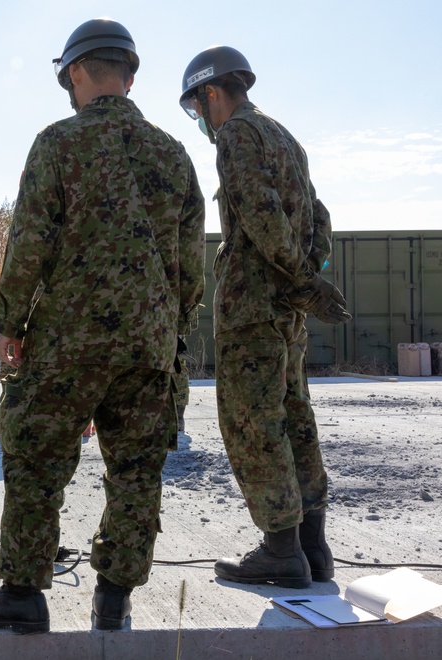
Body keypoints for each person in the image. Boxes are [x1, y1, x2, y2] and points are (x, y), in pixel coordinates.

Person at [0, 18, 205, 634]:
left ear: (74, 72)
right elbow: (191, 266)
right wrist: (170, 330)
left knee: (36, 459)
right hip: (149, 344)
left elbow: (29, 243)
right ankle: (113, 600)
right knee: (136, 470)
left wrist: (11, 322)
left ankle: (22, 593)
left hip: (68, 341)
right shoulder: (173, 154)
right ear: (130, 72)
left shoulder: (58, 142)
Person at [178, 46, 350, 589]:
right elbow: (319, 217)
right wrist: (308, 280)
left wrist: (301, 280)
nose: (201, 121)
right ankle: (312, 548)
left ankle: (280, 550)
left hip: (253, 306)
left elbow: (258, 213)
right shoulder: (284, 137)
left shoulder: (236, 135)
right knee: (295, 418)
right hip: (286, 313)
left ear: (211, 92)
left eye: (197, 106)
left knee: (254, 424)